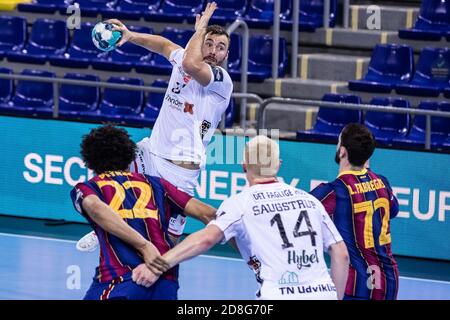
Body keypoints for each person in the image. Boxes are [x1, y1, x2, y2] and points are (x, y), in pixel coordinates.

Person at [77, 2, 233, 251]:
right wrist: (129, 35)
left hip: (181, 171)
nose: (214, 50)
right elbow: (162, 45)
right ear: (201, 43)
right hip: (150, 153)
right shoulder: (183, 58)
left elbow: (193, 65)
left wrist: (200, 30)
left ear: (226, 55)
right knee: (110, 165)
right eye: (209, 43)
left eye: (221, 47)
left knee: (168, 242)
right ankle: (104, 227)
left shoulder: (221, 81)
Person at [134, 136, 349, 300]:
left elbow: (205, 239)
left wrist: (157, 266)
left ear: (244, 166)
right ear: (279, 164)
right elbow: (341, 255)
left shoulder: (241, 204)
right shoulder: (310, 201)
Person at [70, 124, 217, 300]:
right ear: (129, 156)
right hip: (164, 278)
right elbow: (209, 214)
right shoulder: (158, 184)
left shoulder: (90, 187)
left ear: (89, 161)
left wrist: (144, 246)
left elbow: (95, 207)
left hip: (119, 279)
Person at [310, 123, 400, 300]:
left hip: (358, 285)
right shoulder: (382, 182)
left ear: (342, 151)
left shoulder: (333, 191)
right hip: (389, 281)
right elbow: (394, 210)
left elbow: (296, 212)